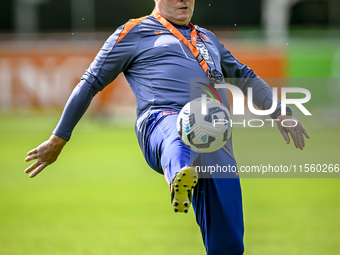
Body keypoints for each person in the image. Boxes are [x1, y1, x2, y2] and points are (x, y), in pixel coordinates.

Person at [24, 0, 310, 254]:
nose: (184, 0)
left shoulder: (207, 38)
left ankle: (186, 180)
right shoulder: (133, 31)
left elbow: (245, 75)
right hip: (159, 122)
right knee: (180, 125)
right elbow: (90, 83)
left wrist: (280, 112)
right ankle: (178, 177)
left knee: (230, 244)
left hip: (216, 139)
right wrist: (59, 137)